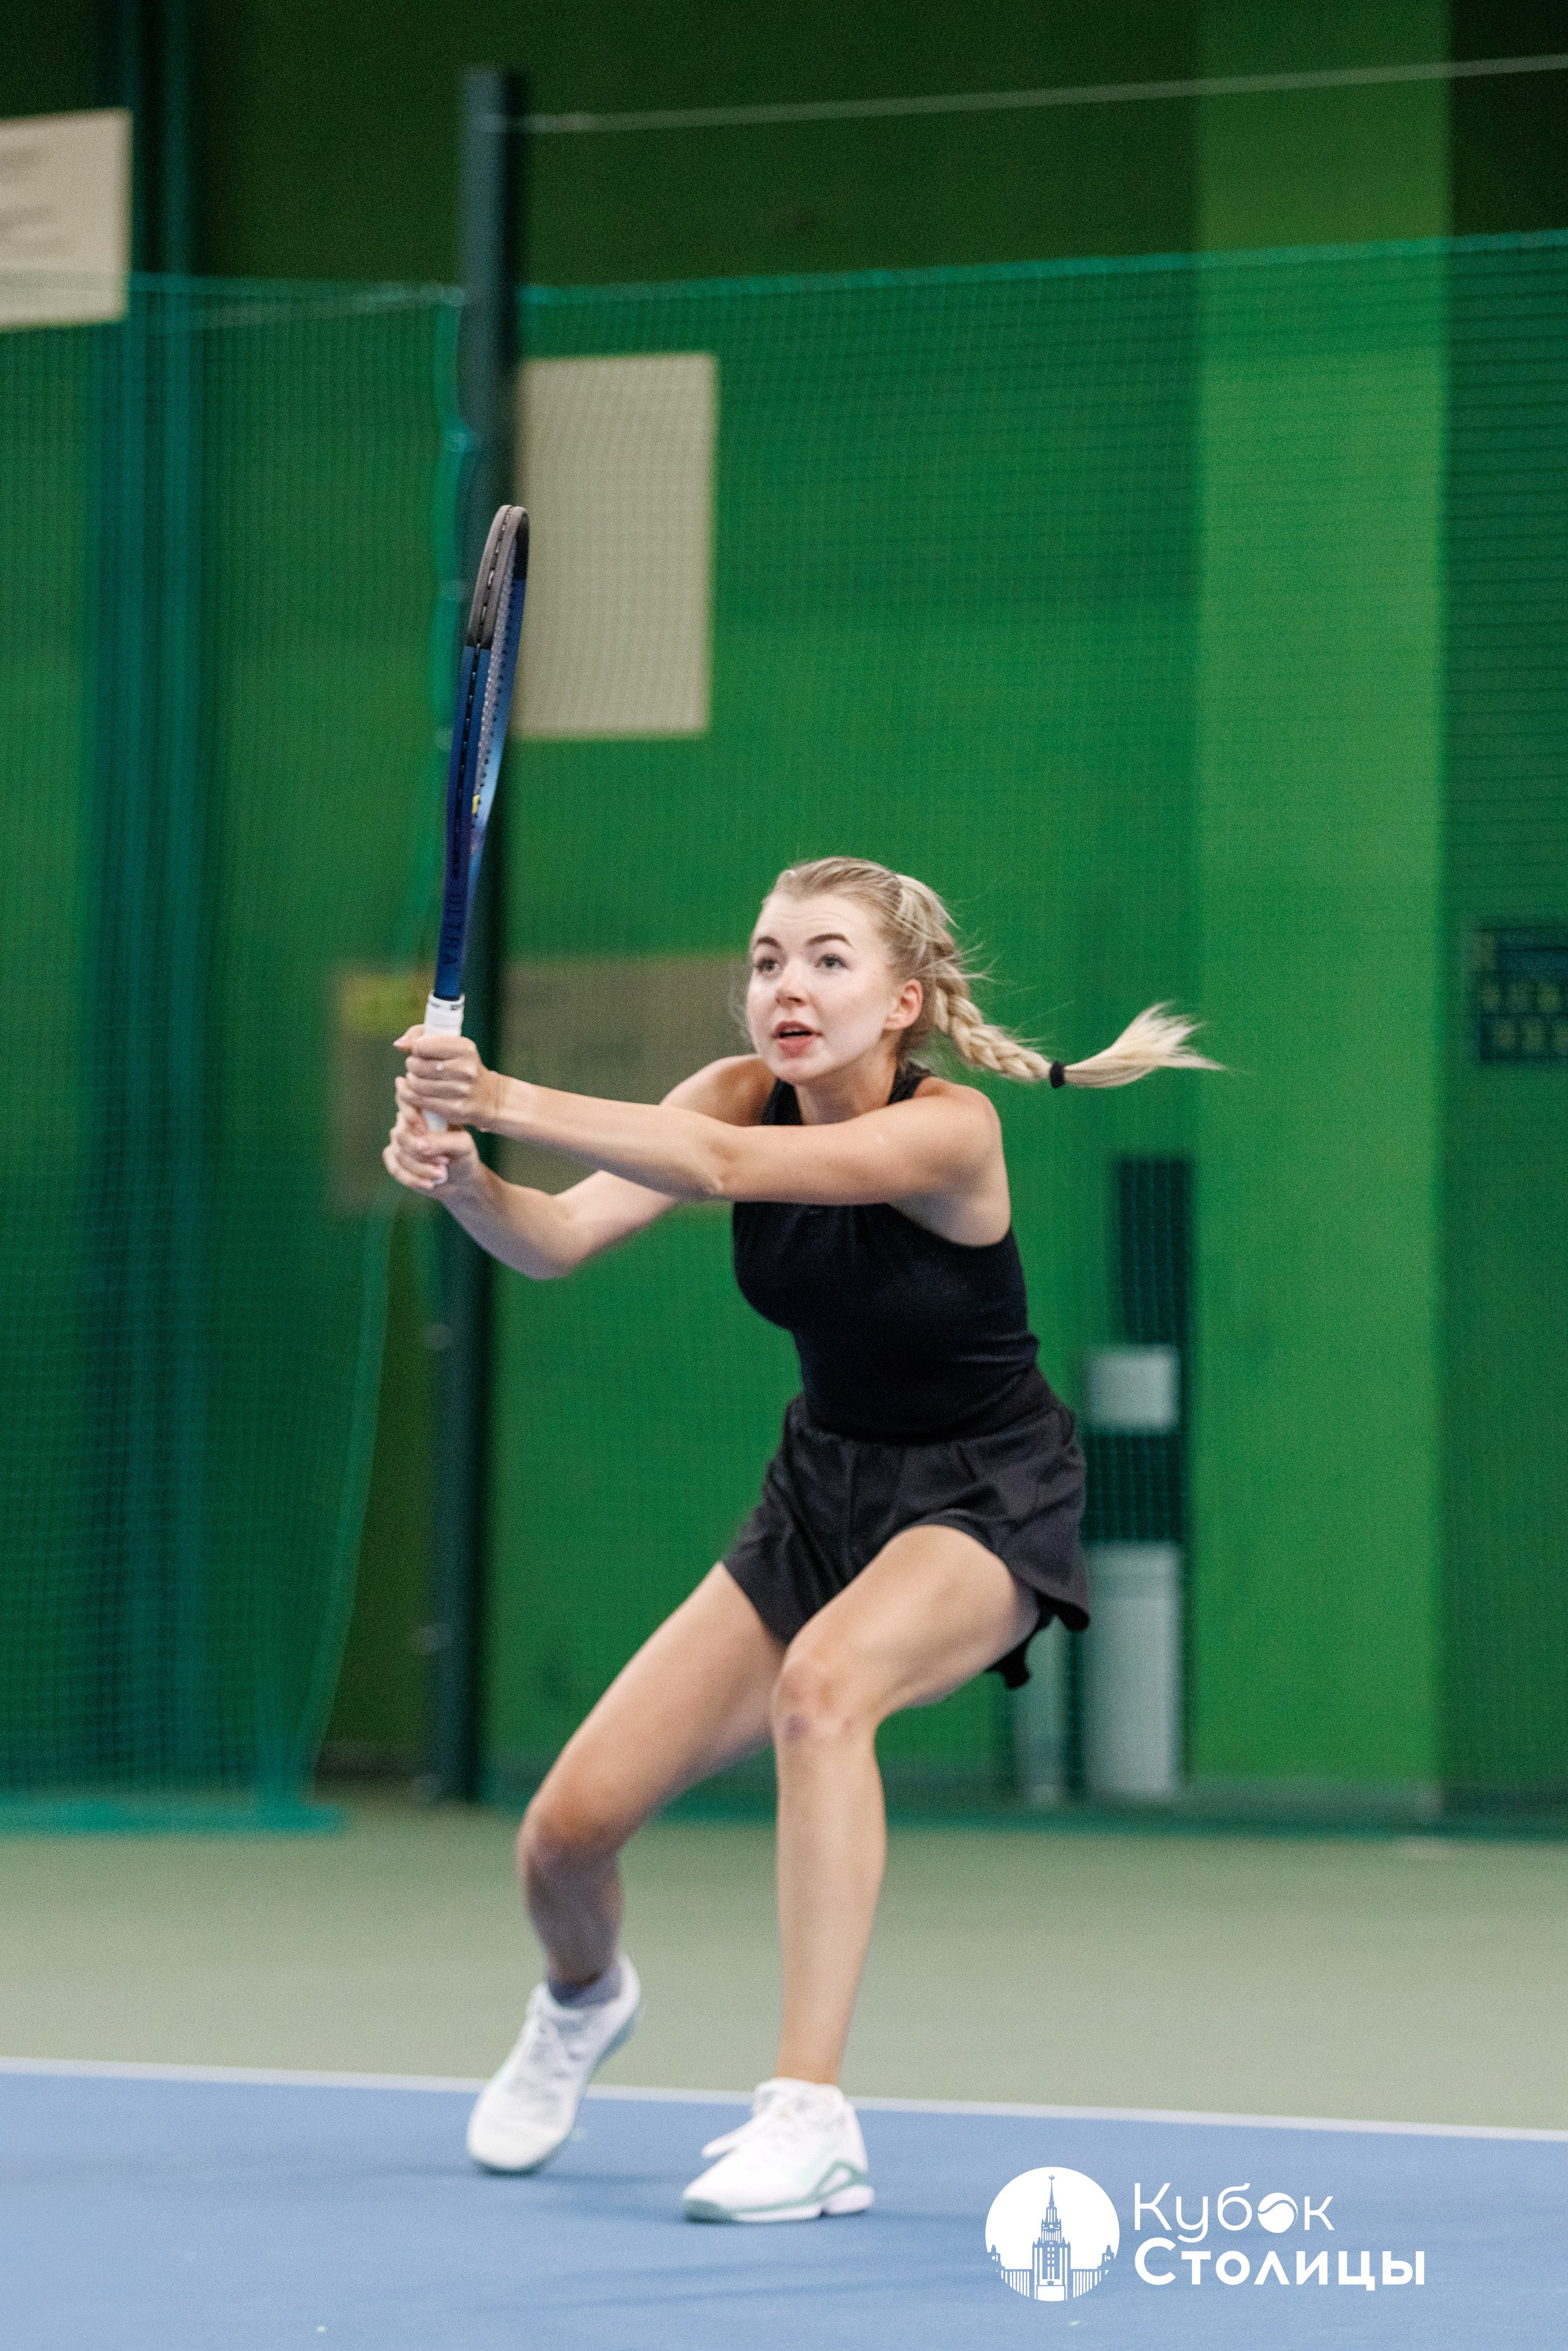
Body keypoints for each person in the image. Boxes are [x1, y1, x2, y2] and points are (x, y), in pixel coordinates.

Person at [385, 855, 1215, 2224]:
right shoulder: (722, 1087)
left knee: (822, 1693)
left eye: (827, 959)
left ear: (900, 1001)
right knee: (563, 1836)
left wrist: (501, 1093)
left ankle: (808, 2111)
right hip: (817, 1490)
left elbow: (720, 1169)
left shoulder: (946, 1132)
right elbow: (556, 1237)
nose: (786, 985)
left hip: (982, 1496)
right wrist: (467, 1173)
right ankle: (583, 2001)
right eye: (768, 957)